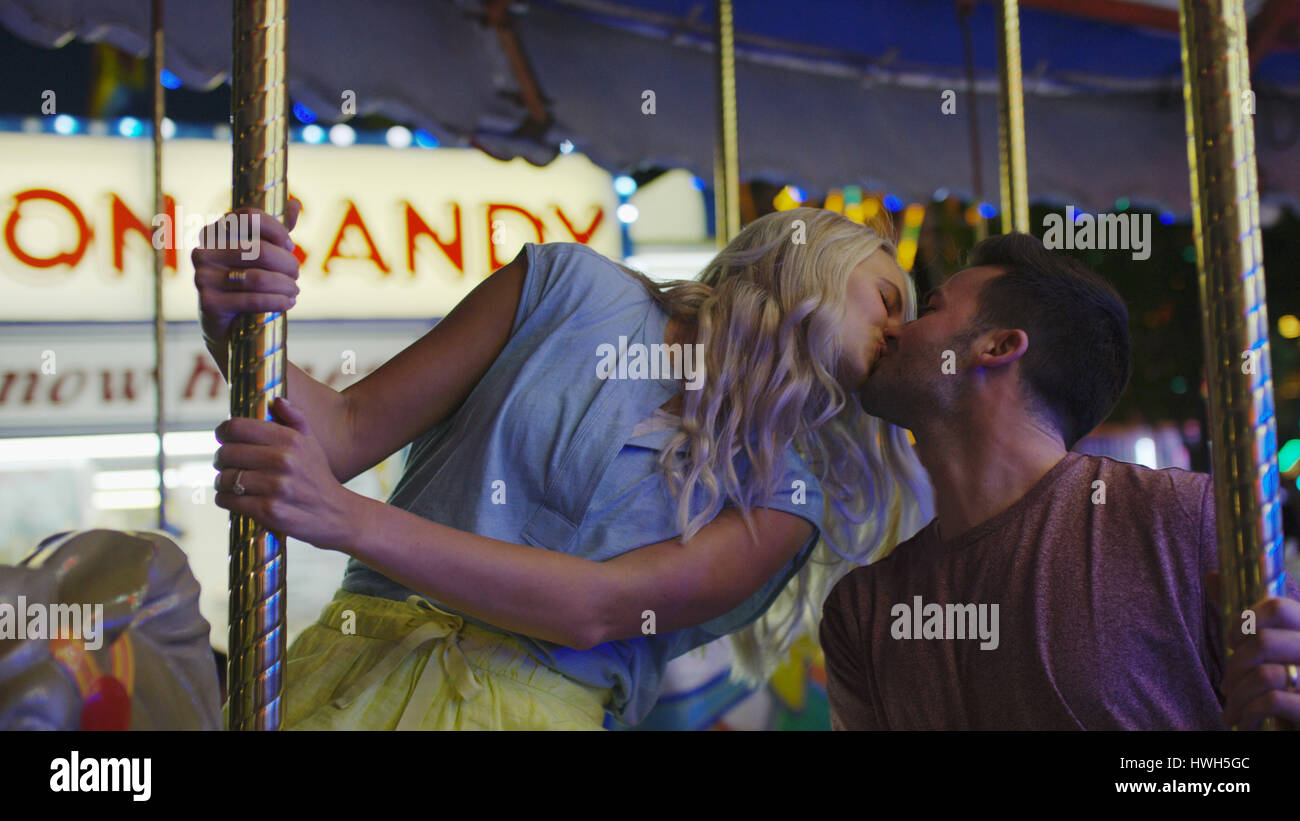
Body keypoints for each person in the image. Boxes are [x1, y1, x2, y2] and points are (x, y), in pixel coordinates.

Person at [193, 203, 931, 729]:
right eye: (890, 298)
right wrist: (236, 322)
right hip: (355, 669)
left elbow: (597, 607)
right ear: (815, 254)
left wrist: (350, 520)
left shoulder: (783, 500)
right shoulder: (567, 286)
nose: (898, 331)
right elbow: (347, 427)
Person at [820, 232, 1300, 731]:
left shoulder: (1177, 520)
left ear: (999, 346)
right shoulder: (861, 611)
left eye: (930, 309)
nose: (894, 331)